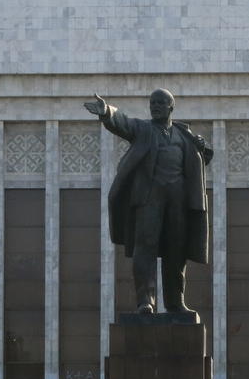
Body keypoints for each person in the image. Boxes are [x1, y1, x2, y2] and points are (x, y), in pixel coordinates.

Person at [84, 89, 213, 315]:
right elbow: (123, 123)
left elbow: (204, 158)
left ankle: (175, 302)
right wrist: (106, 112)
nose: (155, 106)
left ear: (171, 107)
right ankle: (146, 302)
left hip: (178, 200)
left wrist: (202, 147)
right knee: (145, 249)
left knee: (177, 251)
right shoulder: (144, 129)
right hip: (149, 198)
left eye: (160, 103)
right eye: (152, 102)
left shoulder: (184, 134)